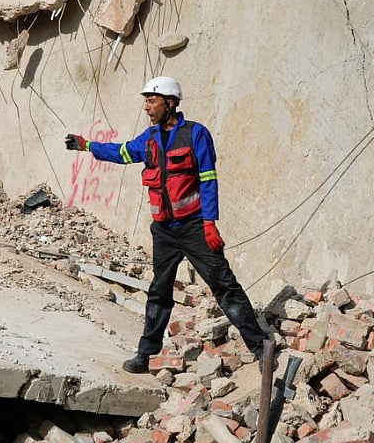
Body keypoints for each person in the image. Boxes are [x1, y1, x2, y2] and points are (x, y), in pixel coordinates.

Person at [65, 76, 267, 374]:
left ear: (170, 103)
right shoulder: (149, 139)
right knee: (159, 293)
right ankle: (145, 355)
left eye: (152, 101)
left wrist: (210, 223)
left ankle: (261, 347)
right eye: (146, 102)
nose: (147, 108)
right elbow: (122, 152)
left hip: (195, 228)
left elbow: (208, 179)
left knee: (224, 286)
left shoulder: (196, 134)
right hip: (164, 232)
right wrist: (87, 145)